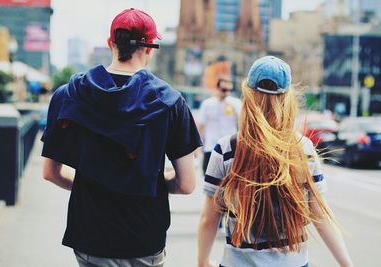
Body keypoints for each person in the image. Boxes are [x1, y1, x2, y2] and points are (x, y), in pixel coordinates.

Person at [41, 8, 202, 267]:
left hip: (90, 235)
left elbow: (50, 172)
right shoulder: (170, 101)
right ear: (149, 49)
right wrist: (147, 183)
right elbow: (186, 184)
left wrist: (93, 185)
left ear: (111, 43)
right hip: (144, 237)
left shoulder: (68, 94)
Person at [197, 56, 353, 267]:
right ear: (287, 99)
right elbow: (321, 216)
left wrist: (203, 261)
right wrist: (347, 264)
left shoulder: (225, 149)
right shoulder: (302, 149)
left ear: (248, 96)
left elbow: (209, 219)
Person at [198, 77, 242, 174]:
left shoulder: (236, 103)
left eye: (229, 90)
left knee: (228, 179)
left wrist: (235, 110)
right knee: (208, 177)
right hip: (211, 146)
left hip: (230, 148)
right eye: (224, 90)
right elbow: (201, 125)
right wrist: (197, 146)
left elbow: (242, 123)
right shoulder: (207, 104)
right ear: (217, 88)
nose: (227, 93)